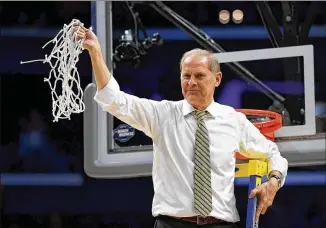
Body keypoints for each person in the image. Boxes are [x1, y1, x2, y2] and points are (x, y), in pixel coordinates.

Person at [75, 25, 288, 228]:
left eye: (199, 76)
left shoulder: (233, 120)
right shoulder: (163, 114)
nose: (191, 82)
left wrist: (274, 181)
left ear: (217, 79)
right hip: (171, 223)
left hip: (221, 223)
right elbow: (113, 99)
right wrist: (95, 52)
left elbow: (273, 154)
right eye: (186, 76)